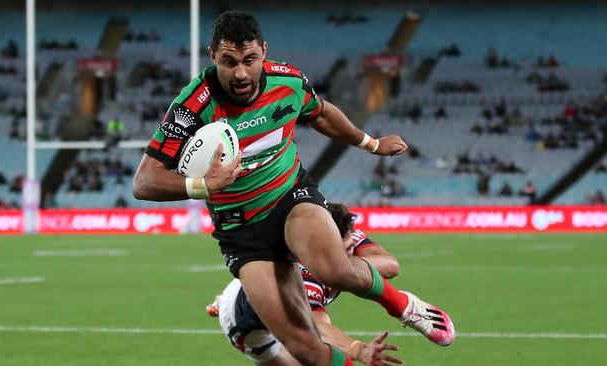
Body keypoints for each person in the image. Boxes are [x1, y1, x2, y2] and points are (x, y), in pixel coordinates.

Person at [133, 11, 454, 365]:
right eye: (229, 62)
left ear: (263, 52)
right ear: (212, 57)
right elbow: (145, 181)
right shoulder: (192, 107)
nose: (241, 73)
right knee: (306, 348)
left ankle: (405, 307)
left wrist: (372, 145)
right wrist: (203, 185)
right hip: (242, 231)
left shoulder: (288, 81)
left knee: (335, 269)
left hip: (290, 198)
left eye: (250, 60)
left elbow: (320, 113)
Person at [206, 203, 410, 366]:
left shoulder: (342, 235)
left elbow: (391, 265)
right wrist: (357, 349)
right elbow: (315, 327)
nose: (351, 253)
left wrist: (344, 267)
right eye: (345, 250)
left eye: (351, 248)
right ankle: (229, 299)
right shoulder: (307, 279)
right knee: (312, 354)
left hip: (268, 280)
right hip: (245, 325)